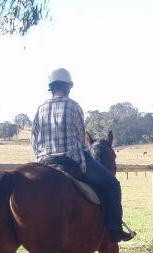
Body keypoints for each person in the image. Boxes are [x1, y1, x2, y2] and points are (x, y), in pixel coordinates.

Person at [31, 68, 135, 242]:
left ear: (51, 87)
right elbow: (81, 140)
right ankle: (115, 229)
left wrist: (40, 160)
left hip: (45, 163)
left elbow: (34, 141)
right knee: (112, 184)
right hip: (71, 161)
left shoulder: (39, 109)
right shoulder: (74, 106)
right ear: (69, 86)